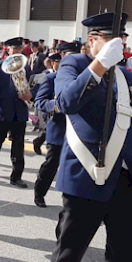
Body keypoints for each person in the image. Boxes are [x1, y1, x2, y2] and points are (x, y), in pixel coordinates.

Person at [40, 12, 132, 262]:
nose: (119, 46)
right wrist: (99, 64)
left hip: (126, 181)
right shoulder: (75, 64)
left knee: (130, 261)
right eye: (110, 40)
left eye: (122, 40)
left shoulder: (127, 74)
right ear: (93, 40)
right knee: (67, 256)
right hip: (86, 177)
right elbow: (66, 102)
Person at [33, 41, 82, 208]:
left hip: (79, 130)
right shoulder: (52, 78)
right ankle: (39, 192)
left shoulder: (83, 79)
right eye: (68, 58)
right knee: (52, 164)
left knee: (75, 167)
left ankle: (72, 201)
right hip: (58, 128)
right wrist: (55, 105)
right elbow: (39, 102)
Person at [0, 37, 33, 188]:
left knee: (18, 146)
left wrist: (31, 95)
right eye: (14, 49)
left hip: (20, 111)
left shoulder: (27, 67)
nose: (17, 51)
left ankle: (16, 176)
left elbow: (35, 85)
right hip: (3, 111)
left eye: (19, 49)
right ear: (8, 50)